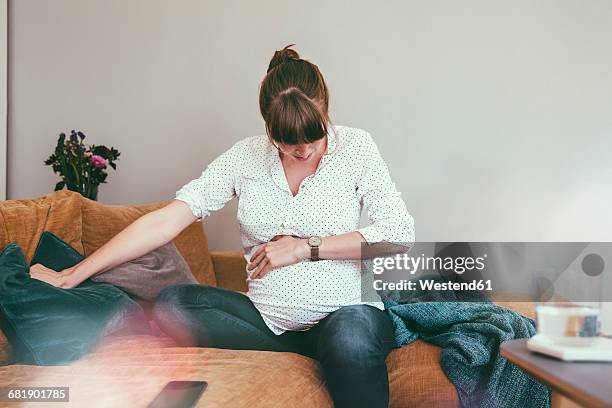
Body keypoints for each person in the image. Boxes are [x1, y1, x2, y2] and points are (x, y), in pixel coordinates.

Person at [30, 44, 415, 408]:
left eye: (312, 138)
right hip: (268, 323)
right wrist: (72, 275)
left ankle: (330, 346)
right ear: (268, 128)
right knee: (174, 303)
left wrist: (304, 247)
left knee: (349, 340)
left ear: (325, 110)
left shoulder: (357, 147)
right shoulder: (244, 158)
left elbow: (399, 233)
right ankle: (303, 349)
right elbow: (167, 220)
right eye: (287, 142)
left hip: (345, 312)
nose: (303, 151)